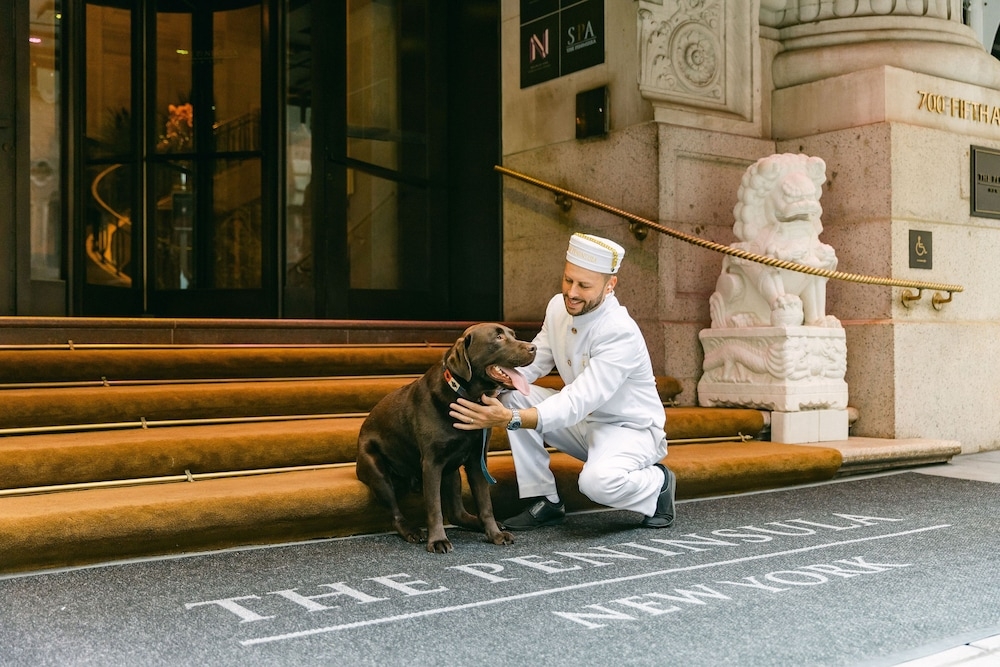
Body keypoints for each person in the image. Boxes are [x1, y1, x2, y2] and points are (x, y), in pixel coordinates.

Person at [449, 232, 676, 529]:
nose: (572, 292)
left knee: (596, 483)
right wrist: (490, 383)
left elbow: (579, 399)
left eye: (584, 285)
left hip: (628, 431)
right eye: (568, 280)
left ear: (610, 285)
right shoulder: (558, 306)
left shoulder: (619, 331)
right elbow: (536, 359)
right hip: (582, 424)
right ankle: (545, 499)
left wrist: (510, 419)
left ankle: (658, 483)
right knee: (511, 394)